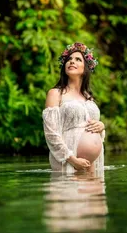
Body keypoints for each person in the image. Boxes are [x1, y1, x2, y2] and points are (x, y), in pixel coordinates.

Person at [42, 42, 105, 175]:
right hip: (69, 162)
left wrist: (101, 126)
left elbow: (94, 130)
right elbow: (51, 134)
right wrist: (72, 159)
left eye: (78, 59)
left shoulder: (89, 98)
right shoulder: (55, 93)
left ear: (86, 68)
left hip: (93, 165)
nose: (71, 62)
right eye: (69, 59)